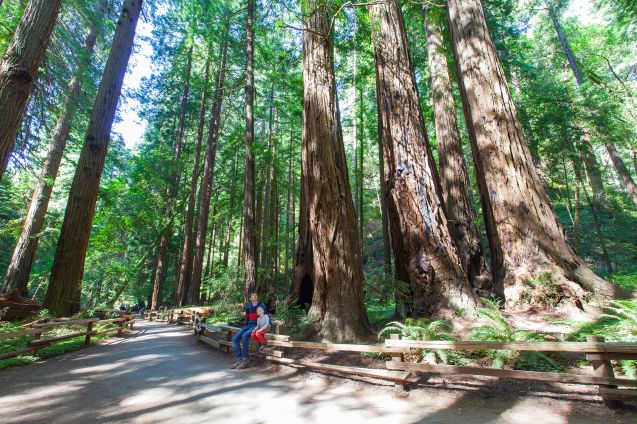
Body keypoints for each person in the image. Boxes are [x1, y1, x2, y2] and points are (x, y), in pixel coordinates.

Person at [230, 293, 266, 369]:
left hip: (256, 326)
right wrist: (245, 326)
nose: (255, 296)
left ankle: (246, 359)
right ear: (250, 298)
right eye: (253, 295)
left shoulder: (261, 305)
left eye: (256, 295)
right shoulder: (248, 306)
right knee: (235, 338)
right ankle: (239, 359)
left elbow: (265, 315)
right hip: (248, 325)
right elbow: (247, 317)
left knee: (244, 336)